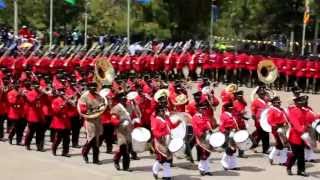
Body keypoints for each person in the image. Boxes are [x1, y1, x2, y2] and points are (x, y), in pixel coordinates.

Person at [151, 96, 181, 180]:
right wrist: (162, 135)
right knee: (161, 159)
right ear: (157, 111)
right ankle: (155, 170)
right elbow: (154, 131)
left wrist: (178, 122)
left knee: (167, 159)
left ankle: (167, 176)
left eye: (163, 110)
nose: (162, 112)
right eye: (161, 111)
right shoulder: (155, 119)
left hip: (168, 140)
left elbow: (171, 126)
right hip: (160, 141)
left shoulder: (166, 117)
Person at [78, 82, 104, 164]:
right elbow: (82, 109)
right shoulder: (84, 97)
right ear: (89, 88)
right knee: (92, 139)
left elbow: (103, 105)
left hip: (98, 119)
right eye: (91, 86)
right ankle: (85, 153)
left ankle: (95, 158)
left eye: (94, 86)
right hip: (89, 120)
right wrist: (94, 110)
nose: (93, 88)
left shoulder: (98, 96)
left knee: (97, 139)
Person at [286, 96, 309, 177]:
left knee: (301, 155)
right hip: (295, 136)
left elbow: (307, 121)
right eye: (301, 101)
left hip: (302, 136)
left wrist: (307, 127)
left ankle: (301, 170)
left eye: (303, 101)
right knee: (294, 154)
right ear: (296, 102)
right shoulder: (293, 111)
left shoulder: (305, 111)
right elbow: (295, 124)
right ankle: (289, 167)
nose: (303, 102)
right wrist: (303, 129)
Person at [191, 101, 213, 176]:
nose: (204, 110)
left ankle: (206, 170)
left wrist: (210, 129)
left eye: (204, 108)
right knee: (203, 153)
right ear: (198, 109)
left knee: (207, 153)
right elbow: (195, 128)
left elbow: (207, 123)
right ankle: (202, 169)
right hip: (200, 137)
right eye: (202, 109)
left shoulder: (204, 116)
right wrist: (201, 134)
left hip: (206, 135)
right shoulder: (194, 117)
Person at [24, 81, 45, 151]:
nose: (36, 86)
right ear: (33, 86)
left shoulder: (41, 93)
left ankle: (39, 146)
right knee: (31, 132)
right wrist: (38, 96)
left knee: (40, 132)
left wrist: (44, 93)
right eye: (35, 85)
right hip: (33, 115)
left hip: (40, 114)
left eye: (37, 85)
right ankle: (27, 144)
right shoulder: (30, 93)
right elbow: (31, 101)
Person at [267, 96, 288, 165]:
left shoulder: (281, 109)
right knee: (282, 144)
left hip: (283, 127)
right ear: (273, 103)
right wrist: (275, 126)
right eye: (278, 103)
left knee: (279, 144)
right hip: (276, 129)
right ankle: (282, 161)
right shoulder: (272, 110)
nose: (279, 104)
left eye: (279, 102)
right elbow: (269, 120)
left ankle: (271, 157)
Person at [51, 88, 71, 157]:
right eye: (61, 92)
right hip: (59, 122)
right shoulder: (55, 101)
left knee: (67, 139)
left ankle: (65, 152)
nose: (62, 93)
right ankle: (54, 149)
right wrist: (62, 105)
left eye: (63, 92)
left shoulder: (66, 100)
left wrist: (71, 102)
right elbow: (55, 112)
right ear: (58, 93)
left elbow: (72, 108)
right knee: (58, 138)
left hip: (66, 121)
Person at [219, 103, 240, 170]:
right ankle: (224, 163)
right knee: (228, 149)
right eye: (231, 108)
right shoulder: (224, 115)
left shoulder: (231, 115)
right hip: (228, 133)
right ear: (228, 109)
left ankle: (232, 165)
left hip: (233, 133)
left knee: (233, 150)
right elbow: (221, 126)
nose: (232, 109)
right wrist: (227, 133)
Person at [251, 86, 270, 154]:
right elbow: (253, 112)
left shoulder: (266, 100)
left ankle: (253, 145)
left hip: (265, 121)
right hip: (259, 121)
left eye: (264, 93)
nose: (263, 95)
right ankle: (265, 149)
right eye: (261, 94)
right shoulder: (255, 102)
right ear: (258, 94)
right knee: (264, 135)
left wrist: (269, 90)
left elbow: (272, 97)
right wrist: (256, 120)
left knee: (261, 135)